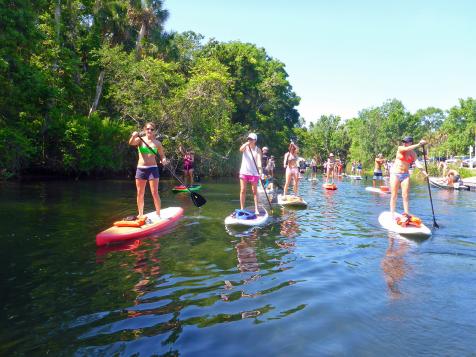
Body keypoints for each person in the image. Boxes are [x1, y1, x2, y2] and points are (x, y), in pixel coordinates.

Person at [129, 122, 167, 218]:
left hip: (153, 169)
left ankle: (158, 214)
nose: (149, 131)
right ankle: (140, 214)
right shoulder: (140, 140)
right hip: (141, 169)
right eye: (148, 129)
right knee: (140, 193)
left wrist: (163, 160)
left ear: (154, 131)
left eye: (151, 129)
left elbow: (162, 155)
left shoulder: (157, 143)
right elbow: (131, 143)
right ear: (144, 130)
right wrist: (133, 136)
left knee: (154, 193)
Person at [390, 136, 427, 220]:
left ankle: (406, 213)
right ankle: (392, 214)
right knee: (394, 195)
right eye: (404, 142)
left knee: (405, 195)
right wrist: (419, 144)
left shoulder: (413, 153)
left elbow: (417, 163)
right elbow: (406, 149)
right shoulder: (400, 148)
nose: (404, 143)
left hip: (405, 175)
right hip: (395, 173)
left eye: (406, 142)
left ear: (410, 143)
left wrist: (425, 173)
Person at [239, 133, 263, 215]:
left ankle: (256, 208)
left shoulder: (258, 150)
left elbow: (259, 161)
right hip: (244, 171)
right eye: (248, 139)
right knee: (243, 190)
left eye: (251, 139)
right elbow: (240, 149)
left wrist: (260, 172)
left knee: (254, 191)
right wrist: (246, 143)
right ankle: (242, 208)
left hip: (254, 173)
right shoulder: (245, 147)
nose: (249, 140)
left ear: (255, 140)